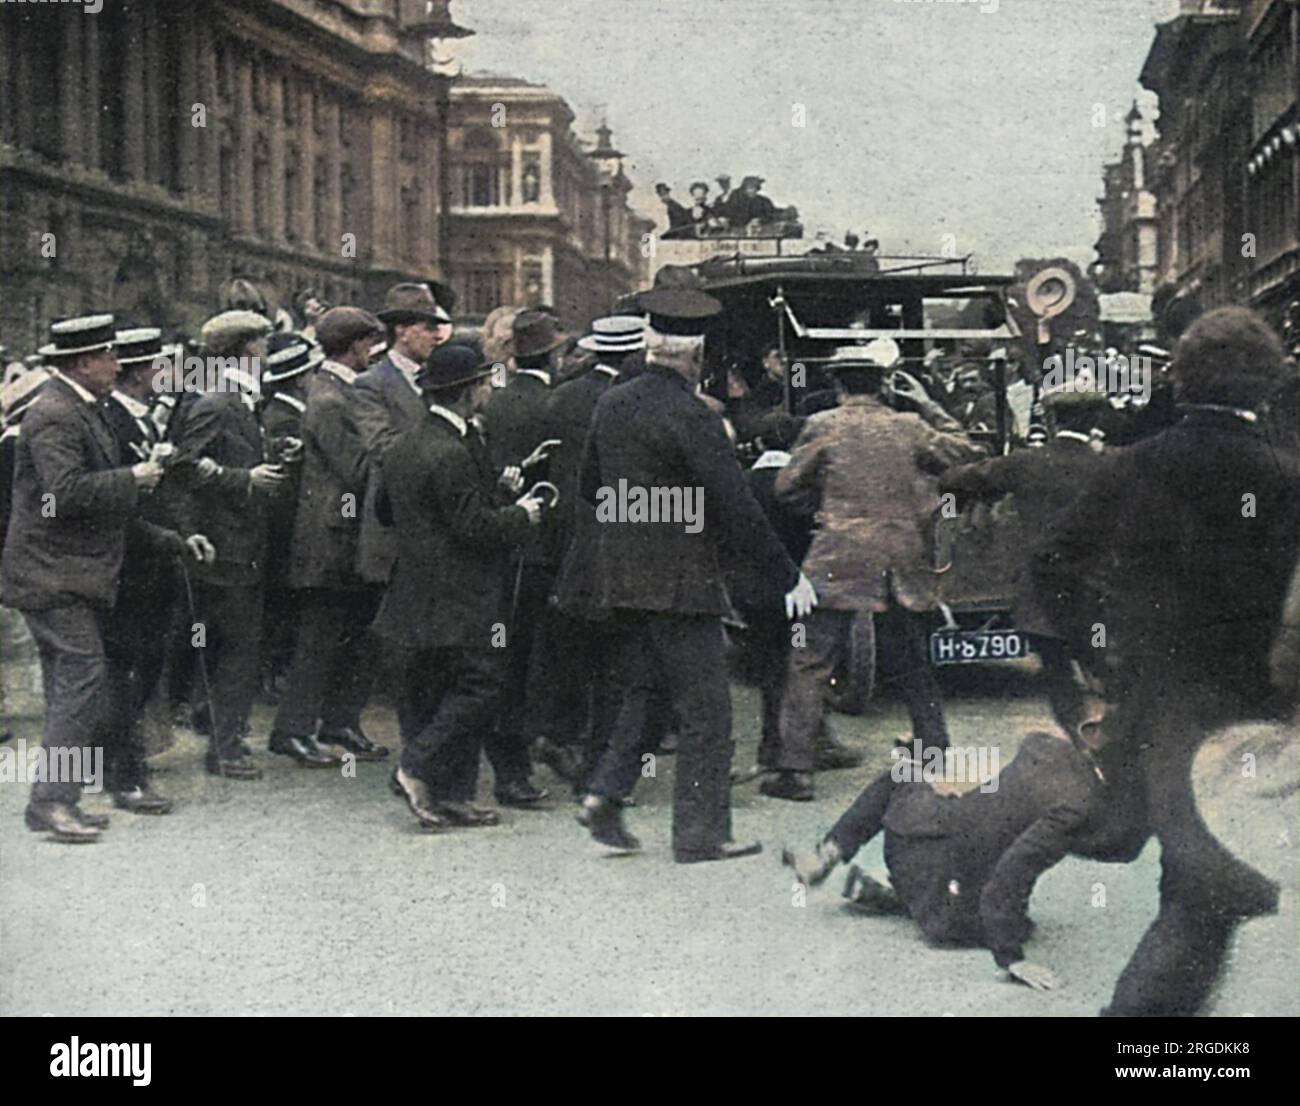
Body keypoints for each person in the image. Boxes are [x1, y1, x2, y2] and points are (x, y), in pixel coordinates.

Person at [1031, 306, 1300, 1016]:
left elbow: (1053, 560)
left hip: (1154, 703)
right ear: (1267, 386)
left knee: (1196, 895)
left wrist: (1098, 652)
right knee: (1200, 905)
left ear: (1179, 380)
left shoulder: (1135, 465)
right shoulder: (1282, 476)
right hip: (1245, 717)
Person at [572, 288, 817, 860]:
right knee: (709, 711)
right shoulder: (694, 415)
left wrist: (646, 513)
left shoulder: (613, 403)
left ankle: (604, 796)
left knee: (649, 693)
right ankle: (701, 835)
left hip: (624, 576)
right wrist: (787, 576)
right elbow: (735, 505)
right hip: (682, 582)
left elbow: (591, 487)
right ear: (696, 352)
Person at [762, 338, 982, 802]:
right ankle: (934, 749)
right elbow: (965, 451)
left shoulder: (823, 425)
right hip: (902, 555)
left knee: (811, 659)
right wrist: (928, 404)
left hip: (837, 554)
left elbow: (786, 488)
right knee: (913, 658)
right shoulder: (910, 426)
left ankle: (796, 770)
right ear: (884, 384)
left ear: (839, 384)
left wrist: (823, 511)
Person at [2, 316, 185, 840]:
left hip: (69, 573)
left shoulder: (82, 408)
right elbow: (63, 494)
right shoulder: (57, 414)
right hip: (54, 575)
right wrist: (134, 477)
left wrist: (156, 527)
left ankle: (60, 798)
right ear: (84, 361)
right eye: (109, 356)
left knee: (73, 684)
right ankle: (52, 802)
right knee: (81, 678)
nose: (116, 365)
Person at [780, 731, 1148, 991]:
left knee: (900, 775)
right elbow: (1011, 876)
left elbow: (1003, 808)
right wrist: (1011, 958)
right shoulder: (1078, 809)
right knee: (1014, 924)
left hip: (916, 832)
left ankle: (828, 854)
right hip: (947, 902)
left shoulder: (1042, 745)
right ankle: (905, 895)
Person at [373, 344, 549, 830]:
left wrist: (500, 490)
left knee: (436, 690)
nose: (490, 389)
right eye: (486, 383)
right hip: (463, 595)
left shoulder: (407, 443)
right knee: (481, 686)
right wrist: (522, 514)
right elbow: (474, 528)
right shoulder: (451, 451)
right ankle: (416, 768)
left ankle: (451, 796)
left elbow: (386, 512)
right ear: (469, 390)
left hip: (414, 592)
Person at [938, 386, 1111, 739]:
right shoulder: (1112, 463)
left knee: (1057, 673)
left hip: (1043, 594)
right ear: (1096, 420)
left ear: (1050, 420)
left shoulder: (1025, 463)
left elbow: (955, 480)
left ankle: (1078, 737)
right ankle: (1115, 737)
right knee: (1105, 669)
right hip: (1098, 594)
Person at [100, 327, 214, 812]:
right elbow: (124, 505)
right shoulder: (113, 423)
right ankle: (124, 775)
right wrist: (169, 537)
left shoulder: (144, 420)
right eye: (161, 366)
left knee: (144, 669)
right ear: (140, 371)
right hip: (131, 566)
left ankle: (123, 765)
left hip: (154, 561)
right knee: (127, 673)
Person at [271, 310, 391, 764]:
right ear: (356, 346)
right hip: (331, 541)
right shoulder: (330, 400)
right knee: (319, 641)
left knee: (354, 637)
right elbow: (357, 470)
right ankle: (293, 730)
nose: (372, 353)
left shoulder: (338, 393)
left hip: (346, 538)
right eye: (368, 344)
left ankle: (340, 723)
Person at [171, 310, 287, 779]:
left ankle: (219, 731)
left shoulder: (238, 401)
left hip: (240, 545)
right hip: (225, 548)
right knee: (238, 651)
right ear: (244, 350)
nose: (265, 352)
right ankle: (225, 748)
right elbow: (183, 466)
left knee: (231, 649)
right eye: (261, 344)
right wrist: (245, 478)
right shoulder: (217, 403)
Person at [354, 282, 454, 590]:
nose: (437, 336)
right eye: (428, 327)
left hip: (436, 527)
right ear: (402, 330)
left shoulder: (438, 379)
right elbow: (382, 446)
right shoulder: (371, 385)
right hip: (395, 529)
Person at [257, 334, 319, 706]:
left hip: (287, 524)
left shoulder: (289, 413)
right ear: (298, 379)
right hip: (284, 525)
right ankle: (271, 674)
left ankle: (274, 672)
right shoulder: (283, 418)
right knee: (280, 606)